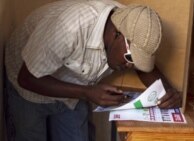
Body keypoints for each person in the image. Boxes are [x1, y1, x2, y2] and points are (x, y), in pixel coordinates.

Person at [4, 0, 182, 141]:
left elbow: (141, 65)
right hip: (28, 90)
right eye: (130, 58)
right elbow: (27, 79)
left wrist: (166, 90)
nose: (130, 66)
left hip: (71, 96)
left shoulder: (132, 23)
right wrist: (86, 92)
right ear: (116, 35)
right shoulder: (70, 28)